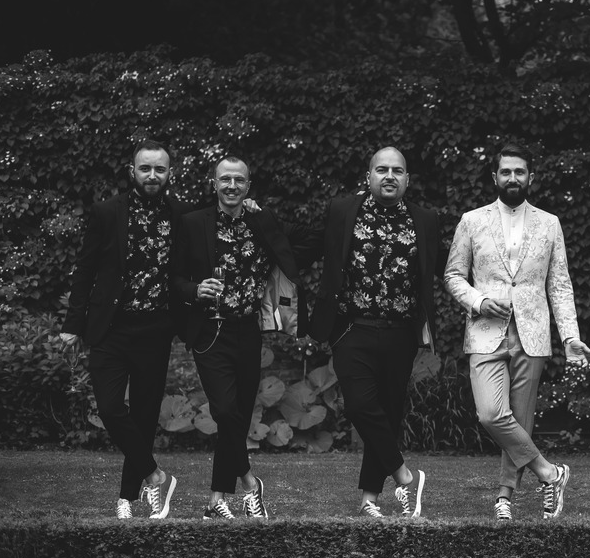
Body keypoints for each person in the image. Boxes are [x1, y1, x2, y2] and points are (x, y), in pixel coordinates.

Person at [445, 142, 590, 522]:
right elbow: (454, 275)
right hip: (485, 332)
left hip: (533, 333)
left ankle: (505, 497)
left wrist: (570, 336)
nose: (513, 178)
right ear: (495, 177)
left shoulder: (550, 223)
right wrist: (478, 301)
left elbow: (559, 285)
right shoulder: (471, 220)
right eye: (506, 172)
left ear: (531, 177)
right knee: (491, 414)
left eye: (520, 172)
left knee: (521, 421)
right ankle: (550, 473)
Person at [301, 146, 443, 519]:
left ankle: (369, 499)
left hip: (400, 333)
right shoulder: (342, 211)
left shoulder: (425, 220)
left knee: (389, 414)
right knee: (359, 406)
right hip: (352, 329)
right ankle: (405, 476)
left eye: (397, 170)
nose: (389, 176)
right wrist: (258, 222)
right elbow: (308, 246)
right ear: (369, 177)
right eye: (382, 169)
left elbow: (446, 266)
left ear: (407, 179)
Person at [60, 139, 187, 520]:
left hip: (155, 330)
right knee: (111, 408)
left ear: (169, 173)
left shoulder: (182, 215)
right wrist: (72, 324)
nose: (152, 175)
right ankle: (156, 476)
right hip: (111, 328)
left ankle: (128, 497)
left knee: (146, 416)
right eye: (145, 168)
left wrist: (250, 206)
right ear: (132, 171)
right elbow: (85, 270)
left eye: (159, 169)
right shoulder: (106, 212)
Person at [172, 155, 304, 520]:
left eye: (239, 180)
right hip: (209, 330)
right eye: (225, 179)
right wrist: (194, 289)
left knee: (239, 416)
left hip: (248, 329)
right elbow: (174, 278)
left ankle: (217, 499)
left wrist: (266, 219)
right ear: (214, 183)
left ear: (248, 186)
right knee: (225, 410)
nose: (232, 186)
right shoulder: (193, 223)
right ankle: (249, 483)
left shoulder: (262, 221)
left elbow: (301, 243)